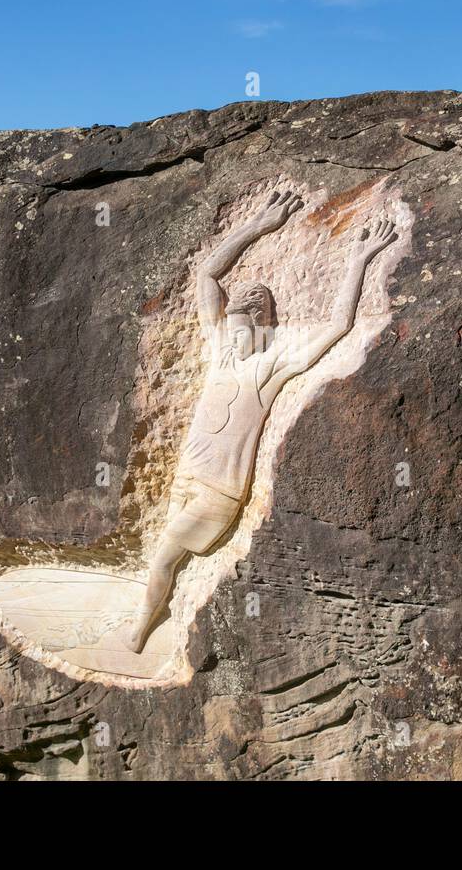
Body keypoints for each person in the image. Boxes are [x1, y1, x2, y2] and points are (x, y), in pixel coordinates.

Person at [123, 190, 398, 652]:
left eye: (241, 330)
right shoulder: (219, 354)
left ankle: (139, 634)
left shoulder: (267, 368)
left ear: (262, 327)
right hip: (184, 479)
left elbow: (336, 327)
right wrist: (258, 225)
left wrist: (359, 258)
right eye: (228, 328)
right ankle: (152, 615)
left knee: (164, 559)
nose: (231, 337)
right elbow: (207, 273)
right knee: (162, 560)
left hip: (217, 492)